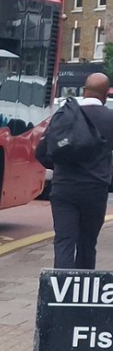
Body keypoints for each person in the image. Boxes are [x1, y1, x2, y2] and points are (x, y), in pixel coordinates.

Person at [49, 72, 113, 269]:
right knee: (87, 243)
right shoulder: (110, 118)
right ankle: (83, 292)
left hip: (63, 189)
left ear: (84, 91)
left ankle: (61, 292)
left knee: (64, 241)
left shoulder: (65, 113)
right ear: (105, 95)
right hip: (94, 189)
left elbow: (46, 149)